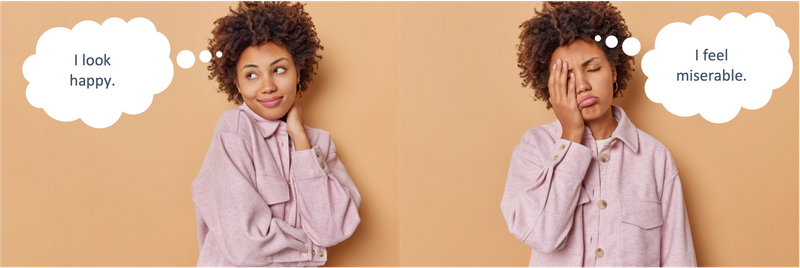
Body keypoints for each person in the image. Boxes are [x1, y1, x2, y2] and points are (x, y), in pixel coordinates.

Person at [500, 1, 697, 266]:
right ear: (550, 86)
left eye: (593, 69)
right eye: (566, 77)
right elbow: (542, 235)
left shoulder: (655, 158)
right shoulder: (533, 148)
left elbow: (678, 258)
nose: (582, 85)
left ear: (614, 71)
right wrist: (571, 135)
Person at [191, 1, 361, 266]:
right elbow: (246, 245)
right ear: (236, 82)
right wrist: (310, 250)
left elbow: (331, 230)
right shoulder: (234, 130)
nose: (267, 86)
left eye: (278, 70)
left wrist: (301, 141)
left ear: (298, 73)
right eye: (251, 75)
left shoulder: (320, 144)